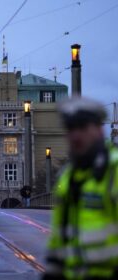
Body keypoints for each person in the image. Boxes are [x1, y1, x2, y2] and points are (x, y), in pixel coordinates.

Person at [43, 97, 118, 280]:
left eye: (83, 128)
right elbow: (60, 234)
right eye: (71, 129)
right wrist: (53, 271)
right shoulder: (69, 176)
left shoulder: (113, 170)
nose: (76, 135)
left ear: (99, 129)